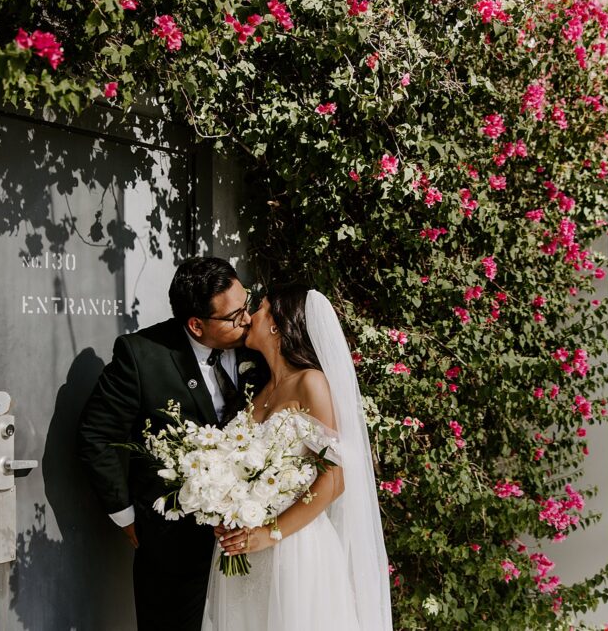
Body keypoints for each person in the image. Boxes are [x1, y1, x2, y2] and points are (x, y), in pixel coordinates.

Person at [77, 257, 266, 631]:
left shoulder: (259, 346)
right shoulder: (140, 355)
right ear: (196, 324)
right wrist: (126, 515)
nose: (247, 319)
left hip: (252, 541)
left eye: (249, 303)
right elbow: (97, 434)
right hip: (172, 547)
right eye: (234, 316)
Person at [201, 285, 393, 631]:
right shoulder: (259, 390)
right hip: (245, 550)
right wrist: (225, 507)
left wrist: (269, 533)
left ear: (277, 323)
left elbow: (334, 480)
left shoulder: (311, 383)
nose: (247, 317)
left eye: (257, 308)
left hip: (293, 549)